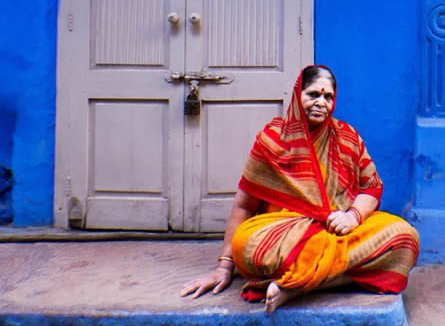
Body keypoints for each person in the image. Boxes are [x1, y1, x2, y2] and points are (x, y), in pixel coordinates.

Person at [179, 65, 419, 313]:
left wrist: (352, 216)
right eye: (313, 94)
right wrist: (224, 268)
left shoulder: (347, 136)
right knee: (246, 246)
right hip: (287, 236)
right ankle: (324, 276)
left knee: (404, 237)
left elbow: (371, 187)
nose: (321, 103)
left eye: (328, 97)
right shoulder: (272, 140)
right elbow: (244, 205)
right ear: (297, 94)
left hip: (339, 229)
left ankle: (299, 286)